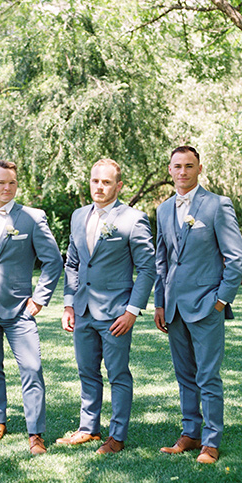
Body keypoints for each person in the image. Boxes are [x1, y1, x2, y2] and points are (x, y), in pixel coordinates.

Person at [0, 160, 63, 455]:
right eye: (1, 183)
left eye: (12, 183)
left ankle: (35, 433)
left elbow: (53, 261)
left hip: (20, 309)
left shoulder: (31, 218)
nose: (7, 188)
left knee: (31, 368)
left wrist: (40, 299)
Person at [154, 146, 242, 463]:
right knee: (185, 375)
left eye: (189, 166)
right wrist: (159, 303)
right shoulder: (164, 210)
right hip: (174, 307)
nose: (183, 172)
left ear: (199, 168)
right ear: (169, 170)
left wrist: (221, 300)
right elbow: (161, 261)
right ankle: (191, 434)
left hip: (207, 305)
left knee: (208, 376)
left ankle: (211, 441)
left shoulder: (217, 205)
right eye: (177, 166)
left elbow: (235, 258)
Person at [58, 158, 156, 454]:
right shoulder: (78, 216)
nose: (99, 187)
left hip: (116, 314)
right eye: (95, 181)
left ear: (119, 185)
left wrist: (132, 311)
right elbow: (73, 263)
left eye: (106, 182)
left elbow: (147, 269)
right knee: (87, 372)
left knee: (118, 375)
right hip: (83, 311)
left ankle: (117, 436)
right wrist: (68, 304)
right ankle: (89, 428)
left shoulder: (133, 219)